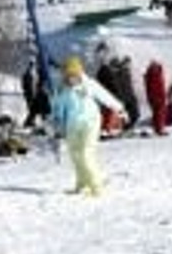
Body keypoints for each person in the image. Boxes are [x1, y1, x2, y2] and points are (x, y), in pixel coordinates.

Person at [49, 56, 125, 196]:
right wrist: (55, 121)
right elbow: (57, 108)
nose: (71, 79)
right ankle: (82, 182)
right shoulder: (61, 89)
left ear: (79, 73)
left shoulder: (88, 84)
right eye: (68, 76)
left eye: (74, 75)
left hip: (91, 123)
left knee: (85, 153)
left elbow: (104, 95)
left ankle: (96, 186)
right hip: (72, 125)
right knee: (75, 155)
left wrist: (118, 107)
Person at [143, 58, 170, 137]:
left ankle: (159, 128)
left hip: (158, 96)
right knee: (159, 112)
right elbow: (154, 87)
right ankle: (159, 129)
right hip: (156, 96)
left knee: (159, 113)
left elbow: (161, 85)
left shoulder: (156, 73)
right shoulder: (153, 74)